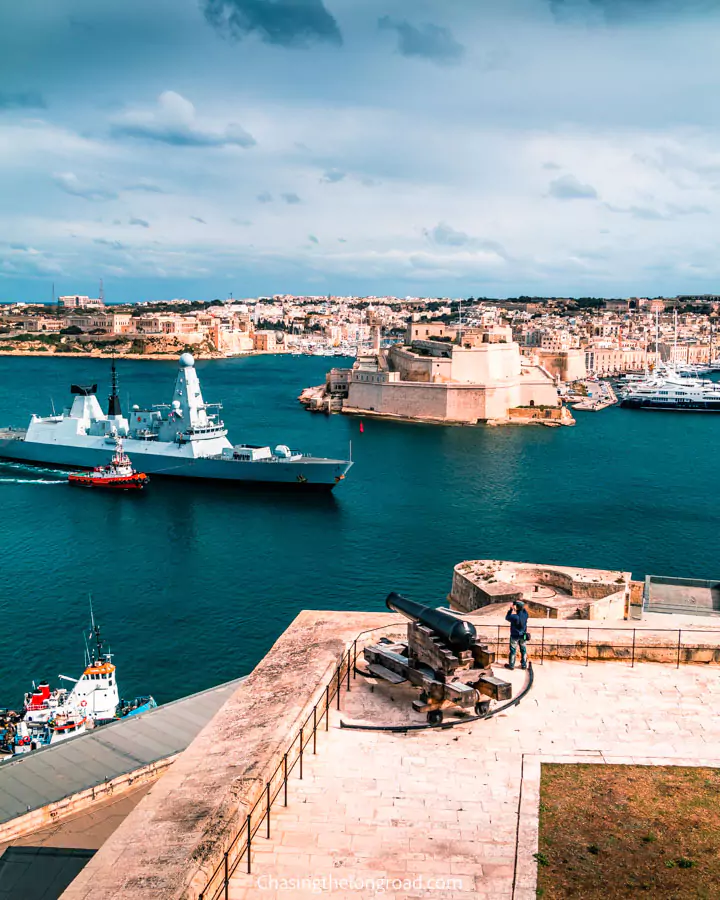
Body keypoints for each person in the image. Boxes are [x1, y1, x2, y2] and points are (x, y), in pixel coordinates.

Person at [505, 600, 528, 670]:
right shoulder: (525, 615)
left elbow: (507, 617)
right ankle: (524, 665)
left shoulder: (515, 617)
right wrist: (518, 606)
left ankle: (511, 665)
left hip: (515, 635)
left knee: (513, 650)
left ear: (517, 608)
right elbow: (523, 610)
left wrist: (511, 609)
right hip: (523, 635)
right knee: (523, 650)